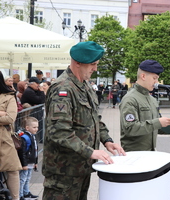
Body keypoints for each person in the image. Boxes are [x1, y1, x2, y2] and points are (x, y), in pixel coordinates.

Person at [42, 41, 125, 200]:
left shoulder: (84, 86)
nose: (95, 68)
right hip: (63, 171)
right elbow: (59, 132)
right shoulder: (63, 88)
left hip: (80, 167)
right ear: (77, 62)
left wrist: (107, 140)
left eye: (96, 64)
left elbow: (94, 118)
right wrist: (91, 152)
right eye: (92, 64)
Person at [120, 60, 170, 152]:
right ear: (143, 76)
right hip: (134, 154)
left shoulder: (152, 100)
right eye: (154, 78)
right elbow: (130, 128)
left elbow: (156, 127)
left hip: (150, 152)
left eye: (157, 79)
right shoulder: (130, 99)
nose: (157, 82)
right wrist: (158, 122)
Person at [0, 70, 22, 200]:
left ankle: (15, 198)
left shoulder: (9, 96)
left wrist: (5, 115)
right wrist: (1, 113)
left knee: (12, 170)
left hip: (5, 139)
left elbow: (10, 118)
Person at [18, 117, 39, 200]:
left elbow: (35, 151)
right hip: (26, 163)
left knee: (27, 178)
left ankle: (26, 193)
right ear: (27, 128)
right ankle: (20, 195)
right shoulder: (25, 137)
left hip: (31, 162)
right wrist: (24, 164)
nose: (36, 129)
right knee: (22, 179)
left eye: (37, 127)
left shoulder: (33, 136)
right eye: (34, 127)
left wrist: (35, 162)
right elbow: (22, 152)